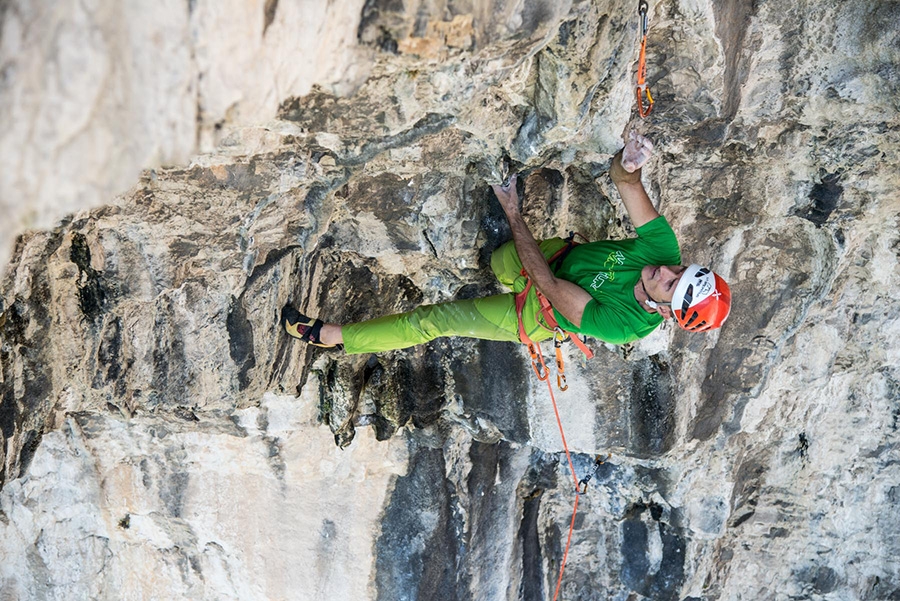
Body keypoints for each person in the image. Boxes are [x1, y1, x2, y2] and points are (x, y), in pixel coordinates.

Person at [281, 133, 731, 354]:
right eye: (681, 270)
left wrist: (513, 211)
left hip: (539, 310)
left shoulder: (626, 325)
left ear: (669, 311)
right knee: (497, 262)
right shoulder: (663, 251)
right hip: (554, 255)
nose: (666, 272)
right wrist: (628, 162)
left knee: (434, 320)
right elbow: (625, 181)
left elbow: (550, 288)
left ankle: (332, 336)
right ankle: (491, 267)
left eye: (672, 285)